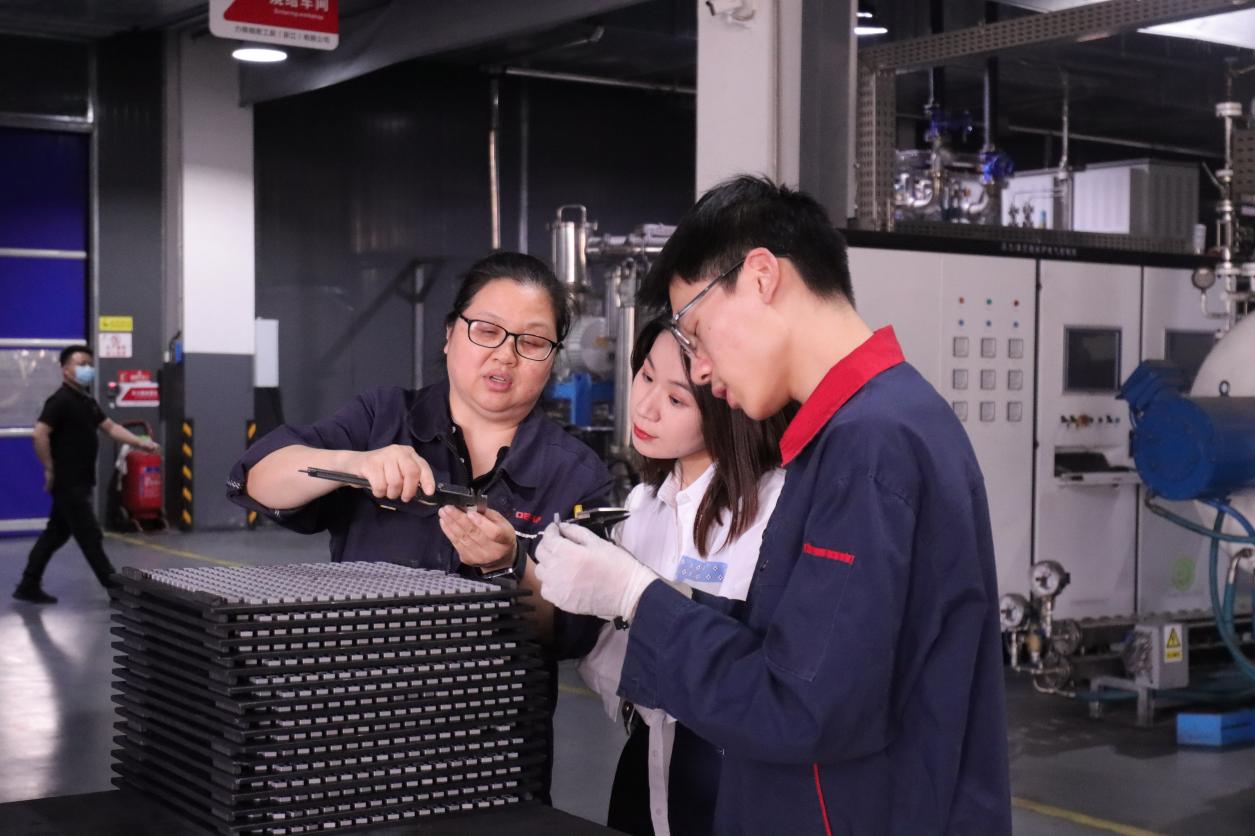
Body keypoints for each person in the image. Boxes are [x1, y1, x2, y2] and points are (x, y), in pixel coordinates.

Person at [535, 176, 1012, 834]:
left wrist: (637, 598)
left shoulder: (870, 446)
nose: (701, 370)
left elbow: (800, 703)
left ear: (761, 277)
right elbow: (815, 651)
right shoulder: (871, 427)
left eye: (696, 332)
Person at [226, 251, 613, 798]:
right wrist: (355, 463)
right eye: (487, 330)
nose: (505, 355)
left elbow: (571, 632)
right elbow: (257, 477)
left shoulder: (575, 474)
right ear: (450, 334)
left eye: (531, 341)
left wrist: (511, 565)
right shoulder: (382, 418)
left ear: (552, 359)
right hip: (359, 732)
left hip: (496, 752)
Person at [577, 318, 786, 836]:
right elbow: (611, 662)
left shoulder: (774, 509)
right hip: (646, 762)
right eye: (646, 377)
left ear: (726, 405)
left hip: (732, 773)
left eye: (676, 399)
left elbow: (765, 672)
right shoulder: (641, 507)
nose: (645, 408)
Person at [13, 345, 161, 604]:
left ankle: (28, 584)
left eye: (89, 364)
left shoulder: (86, 401)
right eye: (81, 364)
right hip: (68, 482)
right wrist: (49, 468)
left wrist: (141, 442)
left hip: (80, 480)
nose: (87, 369)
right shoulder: (60, 401)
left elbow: (111, 428)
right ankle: (115, 588)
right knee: (90, 535)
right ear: (65, 370)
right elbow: (40, 434)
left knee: (56, 533)